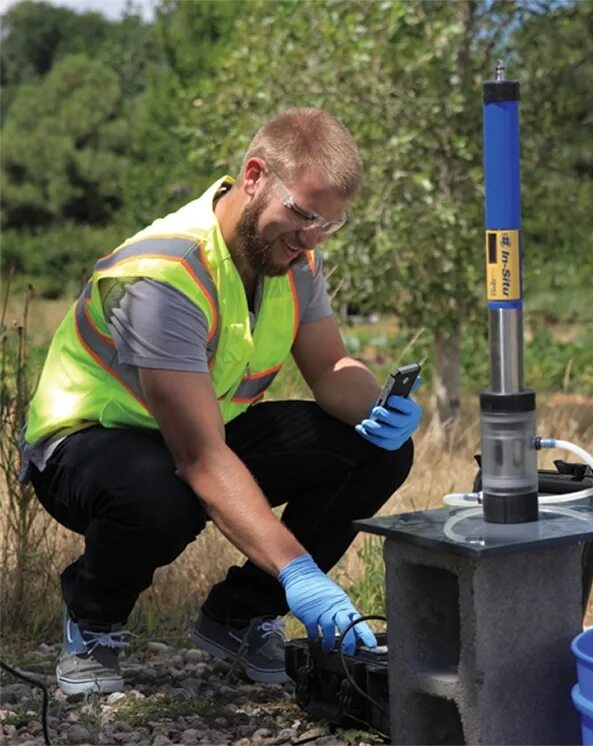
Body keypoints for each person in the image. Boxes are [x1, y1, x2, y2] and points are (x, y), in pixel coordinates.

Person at [19, 108, 421, 695]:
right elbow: (200, 459)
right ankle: (93, 620)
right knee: (159, 495)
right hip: (87, 446)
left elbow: (332, 370)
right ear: (255, 176)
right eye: (303, 214)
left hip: (197, 435)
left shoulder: (295, 257)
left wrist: (381, 407)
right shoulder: (164, 275)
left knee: (376, 452)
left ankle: (239, 616)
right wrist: (298, 572)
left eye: (329, 225)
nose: (311, 237)